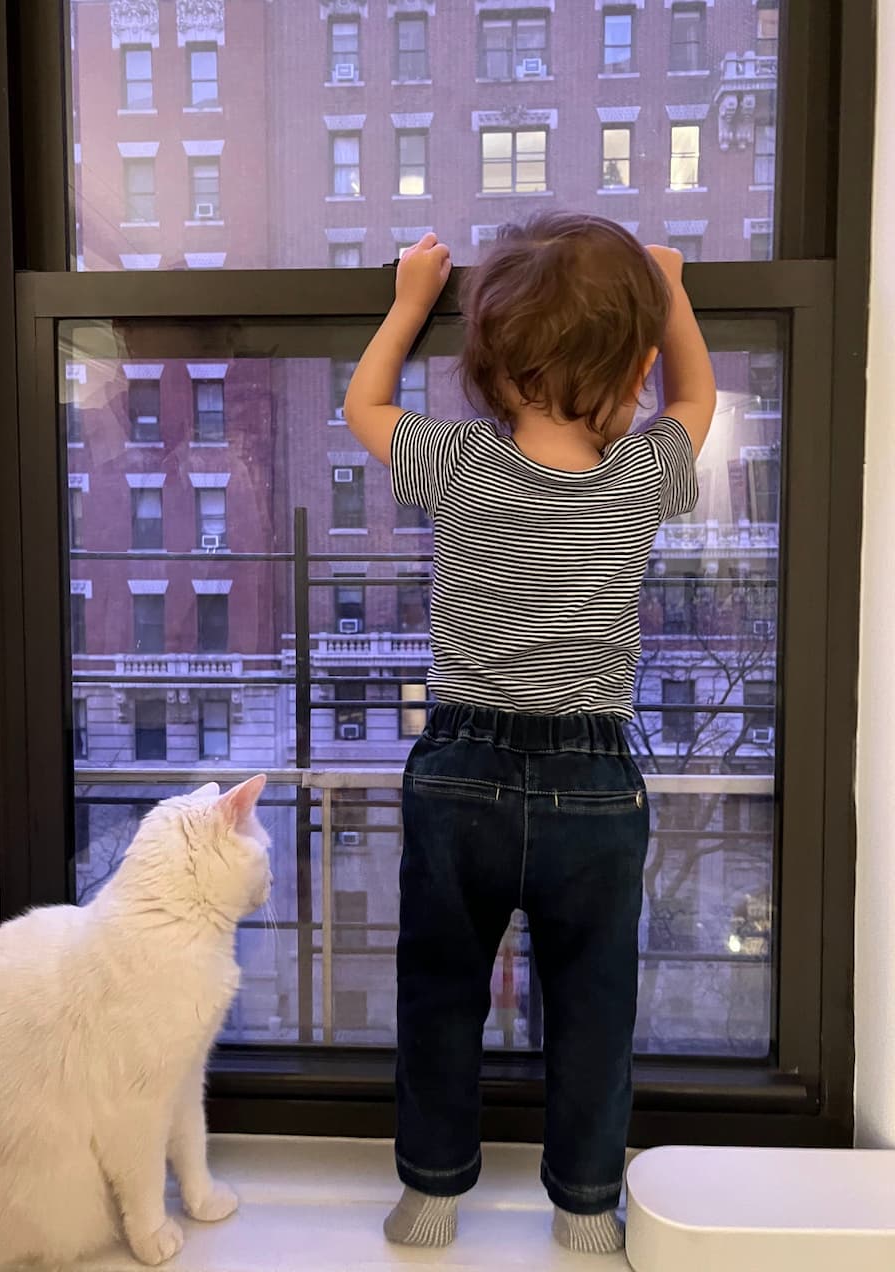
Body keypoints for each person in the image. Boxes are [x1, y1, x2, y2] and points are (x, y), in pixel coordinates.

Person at [344, 214, 716, 1256]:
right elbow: (698, 398)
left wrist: (410, 302)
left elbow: (363, 404)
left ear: (489, 365)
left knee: (441, 991)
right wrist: (672, 295)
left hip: (459, 765)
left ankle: (430, 1194)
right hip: (593, 780)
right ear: (632, 367)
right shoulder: (642, 475)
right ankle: (587, 1206)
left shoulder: (459, 462)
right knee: (595, 1004)